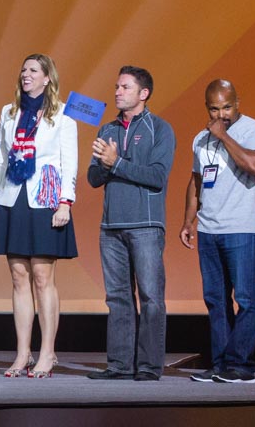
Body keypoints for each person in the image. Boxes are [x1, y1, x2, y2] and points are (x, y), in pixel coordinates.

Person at [0, 54, 79, 379]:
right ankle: (23, 353)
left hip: (46, 199)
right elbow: (0, 158)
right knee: (18, 276)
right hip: (14, 197)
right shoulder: (9, 113)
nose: (26, 74)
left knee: (42, 276)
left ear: (47, 78)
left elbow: (69, 163)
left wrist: (66, 203)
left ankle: (48, 352)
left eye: (33, 70)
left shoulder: (63, 115)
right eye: (23, 69)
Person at [85, 66, 175, 382]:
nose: (117, 92)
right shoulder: (107, 129)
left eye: (125, 87)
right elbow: (93, 178)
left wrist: (116, 163)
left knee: (151, 297)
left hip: (146, 225)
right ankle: (120, 365)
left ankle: (149, 366)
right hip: (111, 226)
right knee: (118, 297)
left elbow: (157, 176)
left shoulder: (159, 129)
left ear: (143, 93)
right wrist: (105, 165)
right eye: (117, 86)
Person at [180, 79, 255, 384]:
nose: (222, 115)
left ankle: (241, 365)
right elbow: (196, 181)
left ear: (237, 102)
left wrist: (223, 136)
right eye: (215, 109)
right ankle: (220, 364)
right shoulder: (200, 139)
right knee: (216, 300)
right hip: (209, 229)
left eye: (227, 107)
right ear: (207, 108)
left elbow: (254, 165)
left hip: (242, 228)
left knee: (246, 298)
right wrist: (188, 221)